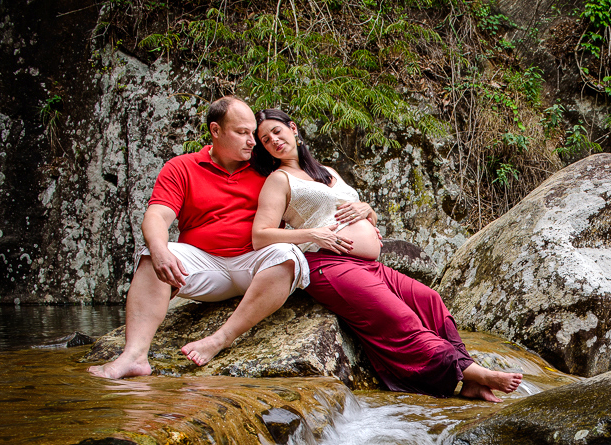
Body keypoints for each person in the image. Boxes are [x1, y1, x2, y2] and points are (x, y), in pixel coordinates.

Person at [249, 108, 523, 402]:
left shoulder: (327, 172)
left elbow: (356, 212)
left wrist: (369, 211)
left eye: (277, 131)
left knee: (429, 299)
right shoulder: (278, 180)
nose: (273, 140)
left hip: (367, 263)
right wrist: (313, 235)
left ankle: (468, 379)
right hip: (326, 264)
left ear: (293, 129)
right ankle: (470, 373)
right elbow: (260, 235)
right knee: (402, 319)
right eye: (265, 139)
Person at [88, 96, 373, 378]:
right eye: (242, 133)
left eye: (253, 133)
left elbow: (324, 200)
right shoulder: (182, 166)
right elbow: (157, 216)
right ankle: (134, 356)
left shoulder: (269, 170)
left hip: (255, 263)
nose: (252, 141)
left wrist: (365, 208)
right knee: (152, 255)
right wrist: (160, 248)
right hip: (203, 265)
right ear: (216, 130)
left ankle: (219, 340)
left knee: (288, 256)